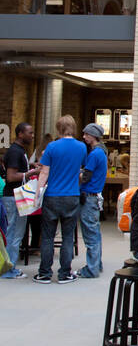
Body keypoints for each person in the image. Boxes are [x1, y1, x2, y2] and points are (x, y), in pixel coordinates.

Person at [36, 115, 87, 283]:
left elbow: (44, 172)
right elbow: (80, 171)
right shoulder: (81, 147)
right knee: (67, 237)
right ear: (73, 127)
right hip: (71, 196)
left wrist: (37, 192)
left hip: (52, 196)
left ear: (58, 128)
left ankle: (44, 273)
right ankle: (65, 273)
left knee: (48, 236)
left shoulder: (51, 147)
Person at [1, 121, 39, 279]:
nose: (32, 135)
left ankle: (9, 266)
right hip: (15, 196)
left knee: (16, 233)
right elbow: (11, 177)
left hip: (16, 195)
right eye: (29, 132)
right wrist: (32, 173)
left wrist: (29, 167)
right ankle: (8, 269)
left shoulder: (18, 151)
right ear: (20, 134)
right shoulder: (16, 152)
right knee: (14, 234)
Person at [78, 122, 108, 279]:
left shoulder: (94, 154)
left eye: (86, 134)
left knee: (90, 235)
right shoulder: (102, 152)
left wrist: (74, 174)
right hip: (95, 197)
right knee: (95, 233)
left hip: (89, 197)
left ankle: (91, 268)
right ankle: (96, 264)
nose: (84, 137)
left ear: (93, 136)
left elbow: (86, 177)